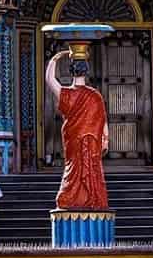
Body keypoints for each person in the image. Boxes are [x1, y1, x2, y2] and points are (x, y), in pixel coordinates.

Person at [45, 49, 110, 210]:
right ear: (87, 72)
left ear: (71, 70)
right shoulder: (95, 96)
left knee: (73, 169)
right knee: (92, 168)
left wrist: (54, 59)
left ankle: (70, 197)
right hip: (92, 140)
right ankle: (92, 197)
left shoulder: (66, 94)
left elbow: (50, 79)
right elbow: (103, 121)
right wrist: (105, 140)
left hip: (73, 140)